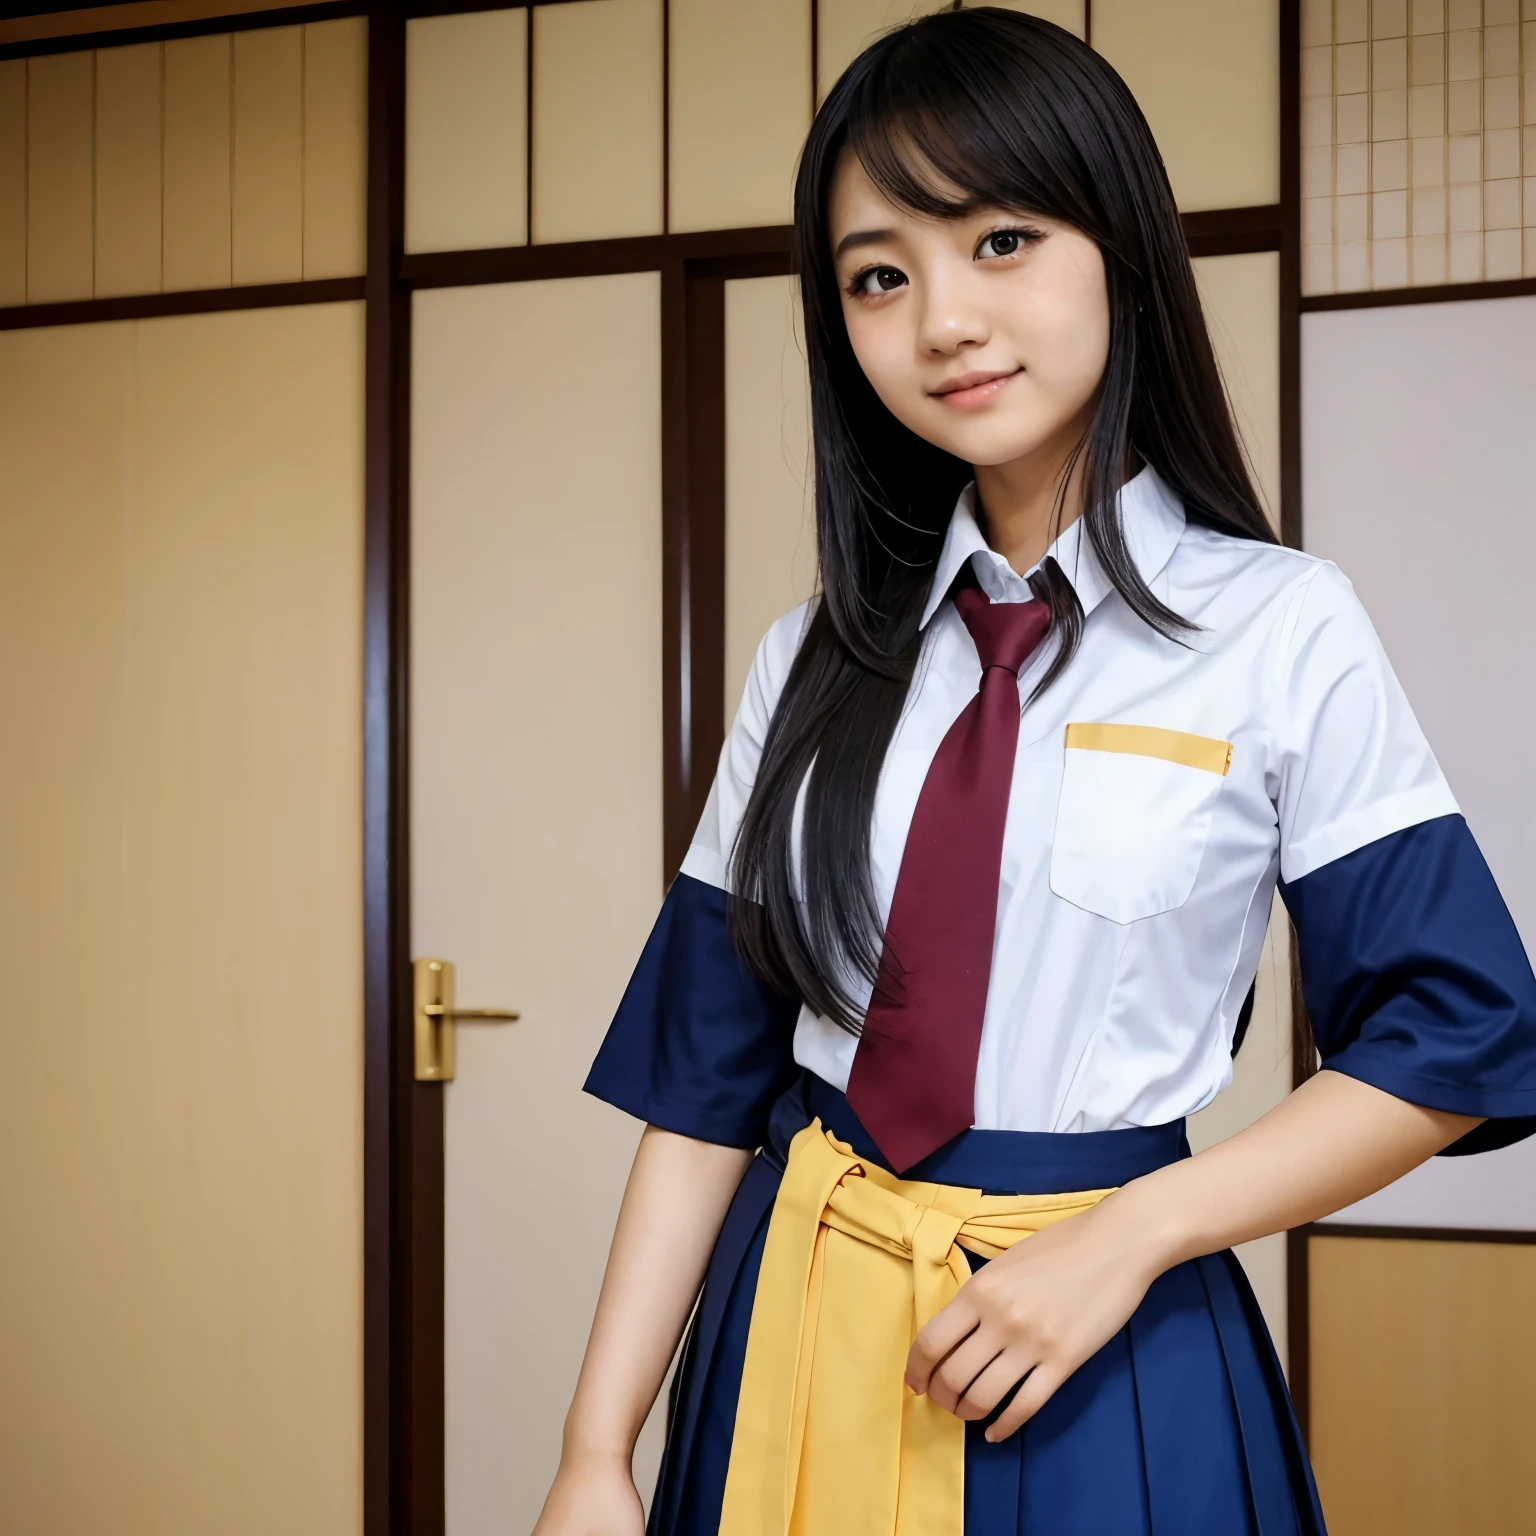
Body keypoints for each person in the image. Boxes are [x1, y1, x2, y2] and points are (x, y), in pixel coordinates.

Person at [533, 11, 1536, 1535]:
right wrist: (596, 1449)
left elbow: (1457, 1031)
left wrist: (1135, 1238)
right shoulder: (812, 655)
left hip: (1104, 1347)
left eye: (1001, 240)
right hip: (796, 1315)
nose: (941, 319)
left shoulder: (1279, 626)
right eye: (881, 274)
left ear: (1121, 247)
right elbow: (703, 1080)